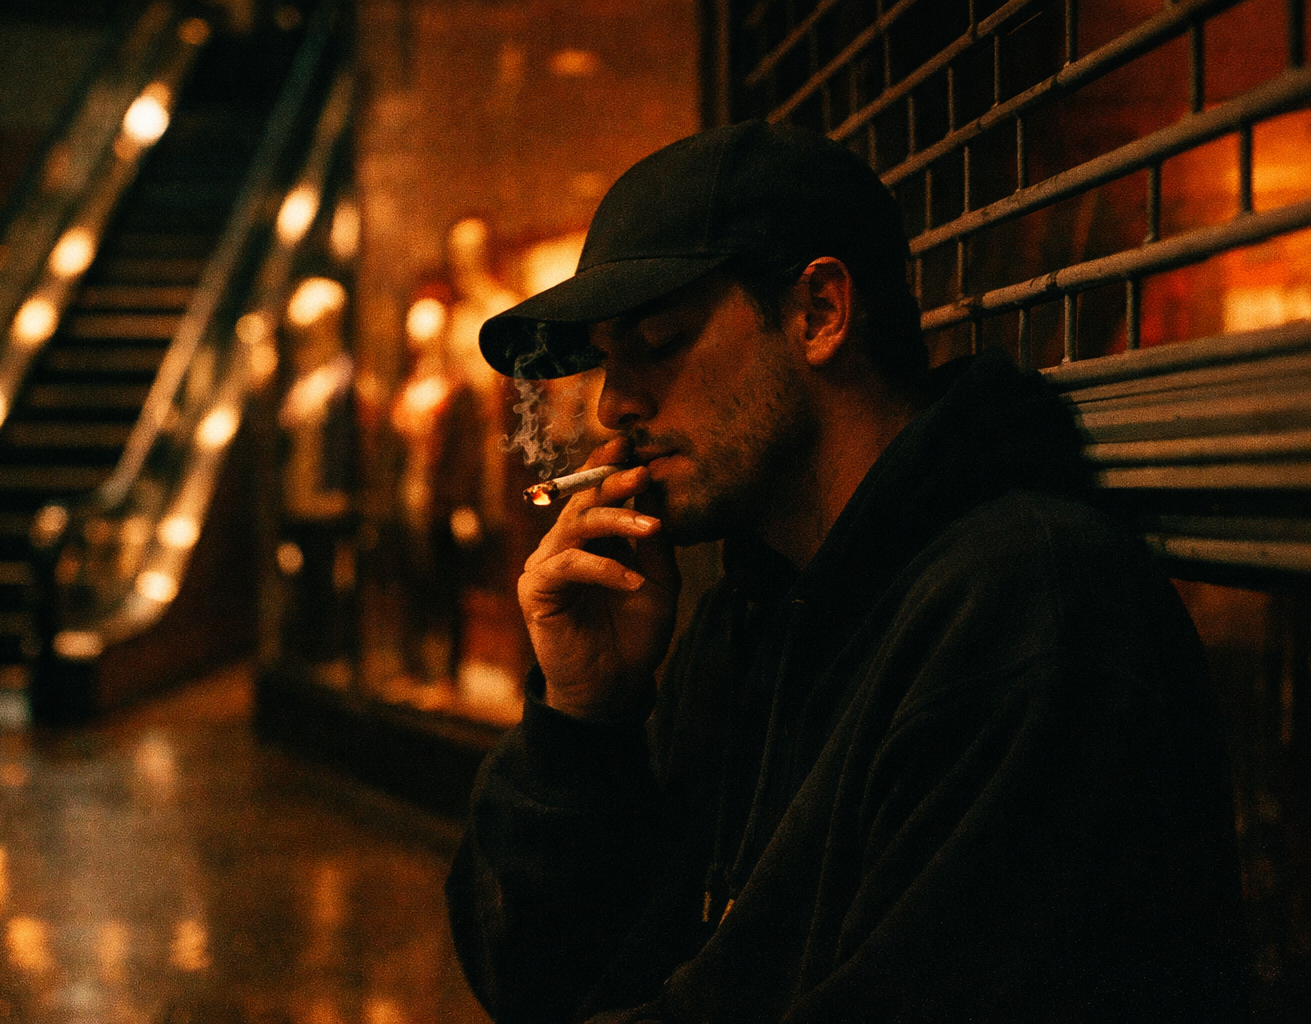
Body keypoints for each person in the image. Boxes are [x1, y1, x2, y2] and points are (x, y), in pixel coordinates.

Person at [447, 120, 1249, 1023]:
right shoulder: (751, 612)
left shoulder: (1032, 610)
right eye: (606, 358)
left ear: (819, 313)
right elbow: (547, 984)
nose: (612, 405)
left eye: (659, 341)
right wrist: (583, 719)